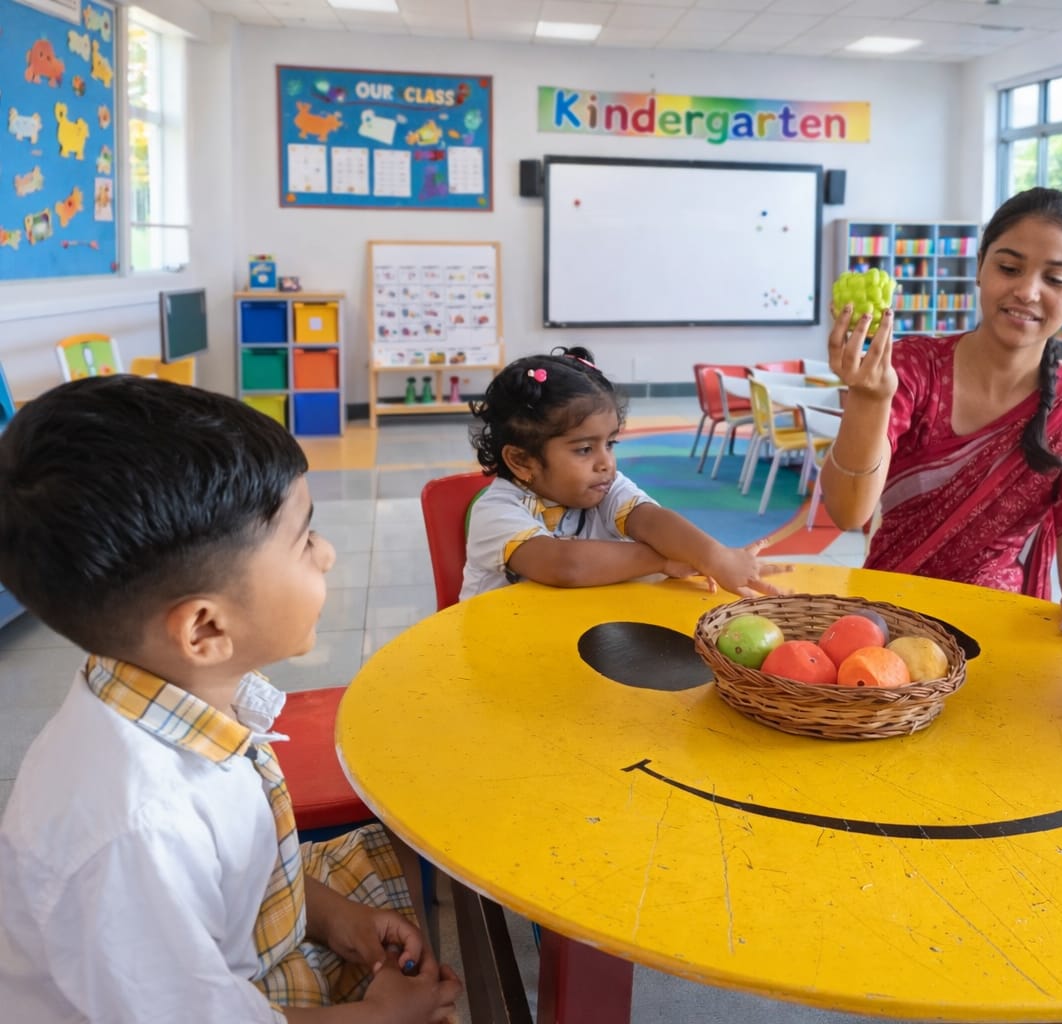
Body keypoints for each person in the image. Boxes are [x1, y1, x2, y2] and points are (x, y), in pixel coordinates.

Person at [0, 375, 461, 1022]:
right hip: (218, 1001)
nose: (326, 555)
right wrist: (379, 1017)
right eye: (304, 541)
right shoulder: (135, 832)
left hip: (243, 948)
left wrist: (336, 918)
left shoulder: (172, 697)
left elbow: (246, 867)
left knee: (435, 842)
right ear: (206, 629)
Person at [821, 187, 1062, 637]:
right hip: (887, 622)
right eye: (1008, 267)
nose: (1027, 291)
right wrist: (869, 398)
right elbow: (848, 512)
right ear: (980, 267)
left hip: (996, 628)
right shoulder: (914, 367)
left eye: (1055, 279)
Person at [461, 346, 781, 600]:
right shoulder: (496, 512)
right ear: (522, 461)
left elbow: (651, 520)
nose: (606, 463)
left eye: (610, 443)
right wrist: (660, 560)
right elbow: (564, 565)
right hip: (495, 644)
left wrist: (714, 557)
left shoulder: (601, 486)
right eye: (584, 449)